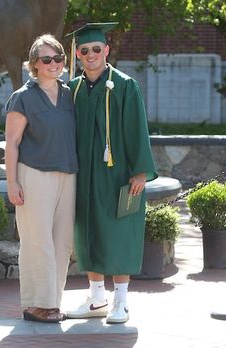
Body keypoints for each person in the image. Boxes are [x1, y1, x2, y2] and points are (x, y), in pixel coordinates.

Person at [65, 23, 158, 324]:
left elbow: (137, 131)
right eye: (84, 50)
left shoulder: (125, 86)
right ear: (77, 55)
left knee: (119, 233)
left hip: (118, 174)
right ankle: (96, 299)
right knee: (88, 231)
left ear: (106, 50)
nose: (90, 54)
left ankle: (121, 302)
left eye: (96, 49)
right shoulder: (72, 89)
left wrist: (141, 172)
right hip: (83, 174)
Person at [5, 34, 78, 323]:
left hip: (68, 174)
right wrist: (12, 183)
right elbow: (11, 142)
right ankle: (37, 305)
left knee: (62, 243)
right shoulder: (22, 97)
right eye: (46, 59)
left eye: (58, 58)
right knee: (38, 242)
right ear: (34, 64)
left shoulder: (70, 94)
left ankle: (52, 303)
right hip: (34, 174)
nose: (53, 64)